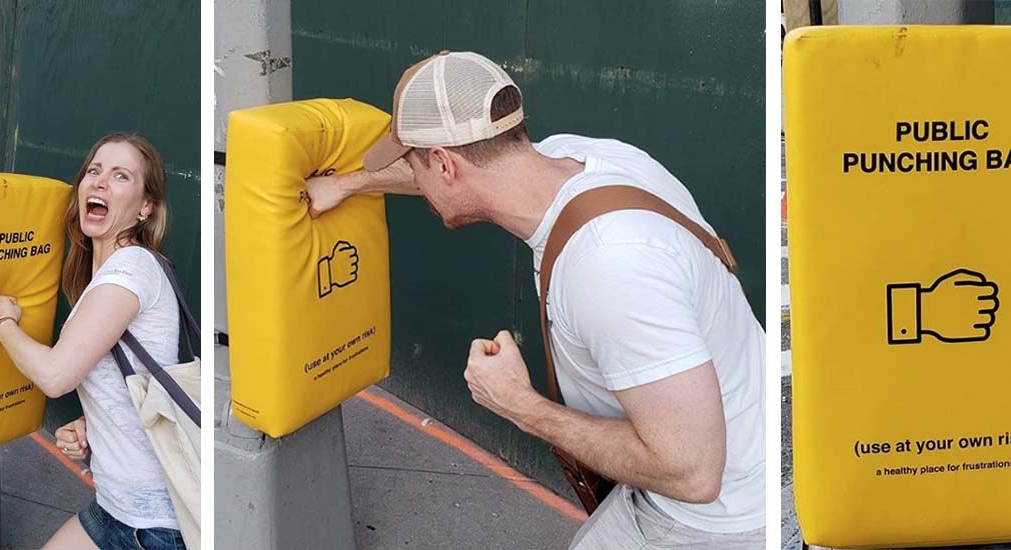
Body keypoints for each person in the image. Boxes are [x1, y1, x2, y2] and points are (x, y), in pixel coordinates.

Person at [305, 51, 765, 549]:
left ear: (443, 163)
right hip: (721, 469)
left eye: (412, 164)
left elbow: (693, 474)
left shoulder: (609, 265)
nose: (413, 177)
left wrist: (518, 405)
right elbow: (470, 174)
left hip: (716, 518)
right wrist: (349, 184)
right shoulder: (584, 159)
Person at [0, 133, 185, 550]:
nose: (99, 183)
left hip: (151, 528)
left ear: (145, 207)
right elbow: (131, 383)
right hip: (115, 509)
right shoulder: (111, 275)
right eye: (94, 171)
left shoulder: (131, 269)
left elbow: (56, 375)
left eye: (120, 176)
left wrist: (3, 323)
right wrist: (94, 425)